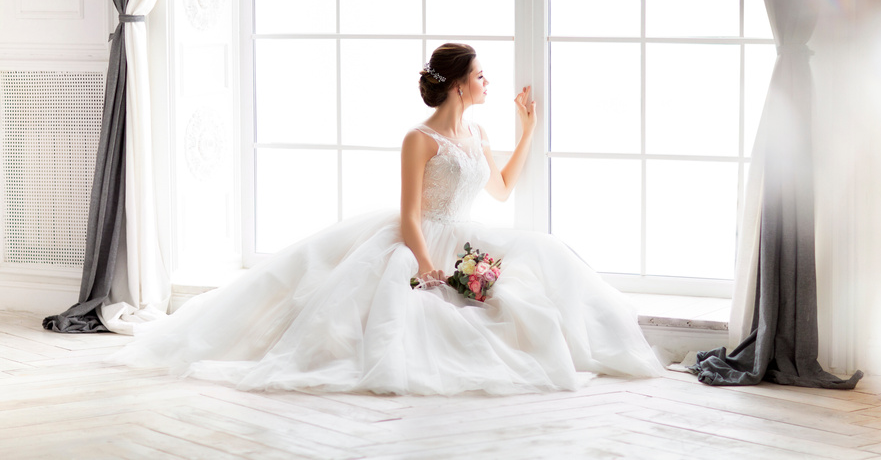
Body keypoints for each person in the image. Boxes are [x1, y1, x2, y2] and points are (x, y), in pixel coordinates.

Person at [110, 43, 663, 394]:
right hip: (419, 237)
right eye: (481, 75)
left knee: (542, 260)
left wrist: (528, 132)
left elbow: (500, 189)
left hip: (465, 236)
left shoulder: (478, 133)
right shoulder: (418, 139)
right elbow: (409, 213)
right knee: (400, 316)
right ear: (457, 84)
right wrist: (423, 263)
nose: (487, 82)